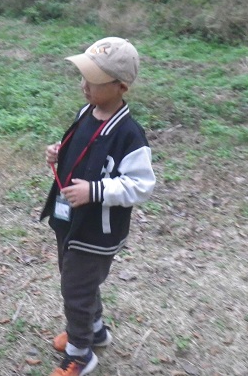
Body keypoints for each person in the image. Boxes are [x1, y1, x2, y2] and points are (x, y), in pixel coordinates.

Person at [40, 37, 156, 375]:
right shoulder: (85, 112)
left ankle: (80, 353)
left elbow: (141, 186)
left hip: (97, 230)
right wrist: (58, 151)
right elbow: (80, 149)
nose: (84, 85)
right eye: (83, 76)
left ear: (121, 87)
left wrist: (96, 191)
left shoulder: (130, 135)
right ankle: (96, 330)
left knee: (75, 288)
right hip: (70, 219)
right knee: (78, 280)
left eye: (94, 81)